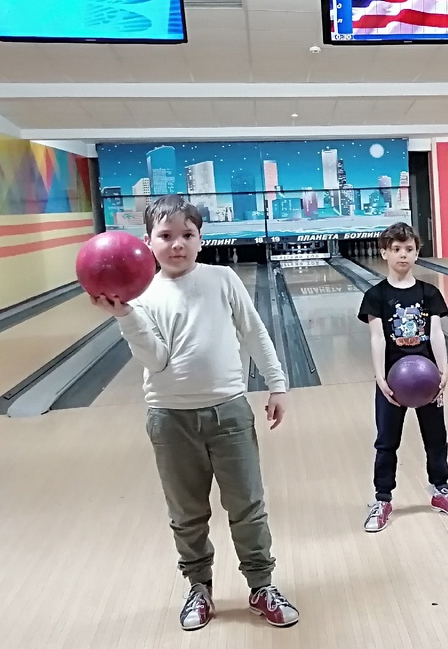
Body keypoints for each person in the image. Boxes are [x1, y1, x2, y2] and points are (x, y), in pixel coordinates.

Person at [90, 194, 299, 631]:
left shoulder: (223, 278)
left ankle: (261, 585)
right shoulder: (141, 295)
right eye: (166, 235)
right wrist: (126, 316)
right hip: (170, 417)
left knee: (248, 506)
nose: (177, 244)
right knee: (186, 514)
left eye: (187, 234)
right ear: (147, 241)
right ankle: (199, 588)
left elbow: (254, 331)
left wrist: (277, 384)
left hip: (229, 411)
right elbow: (155, 360)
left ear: (201, 239)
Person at [358, 222, 448, 533]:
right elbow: (377, 338)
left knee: (436, 438)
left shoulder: (428, 293)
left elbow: (436, 334)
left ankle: (441, 490)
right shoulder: (375, 296)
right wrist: (381, 379)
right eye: (396, 249)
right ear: (384, 253)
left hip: (427, 380)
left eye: (409, 249)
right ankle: (382, 499)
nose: (403, 255)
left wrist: (444, 371)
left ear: (417, 252)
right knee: (386, 441)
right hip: (391, 381)